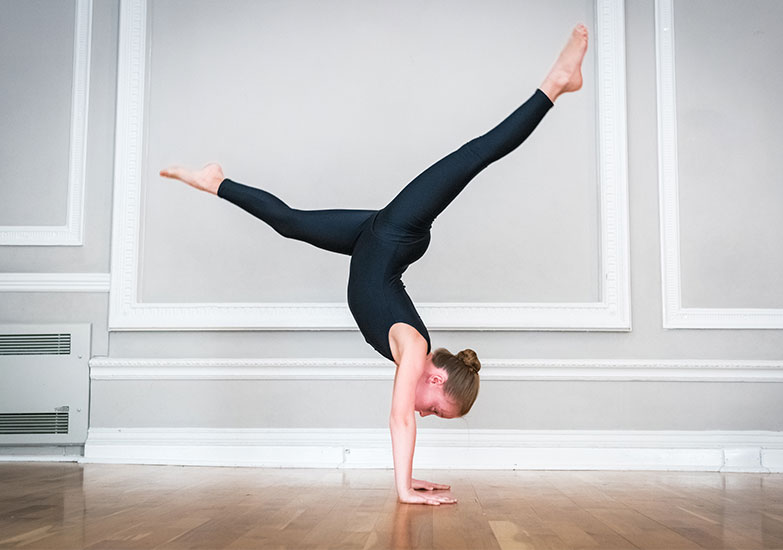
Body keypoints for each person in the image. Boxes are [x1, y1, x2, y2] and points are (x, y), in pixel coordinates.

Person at [160, 24, 588, 506]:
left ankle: (216, 182)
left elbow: (406, 413)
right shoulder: (414, 348)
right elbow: (401, 416)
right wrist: (405, 488)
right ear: (437, 379)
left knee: (289, 223)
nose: (429, 415)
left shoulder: (413, 356)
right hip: (394, 234)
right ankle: (555, 82)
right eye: (439, 411)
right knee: (474, 156)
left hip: (374, 242)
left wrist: (411, 476)